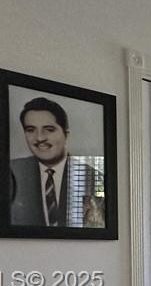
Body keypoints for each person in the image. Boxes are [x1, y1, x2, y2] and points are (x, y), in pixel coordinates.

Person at [8, 97, 104, 227]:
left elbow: (96, 226)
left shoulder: (92, 177)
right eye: (31, 130)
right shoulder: (13, 171)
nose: (40, 138)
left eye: (49, 129)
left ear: (66, 135)